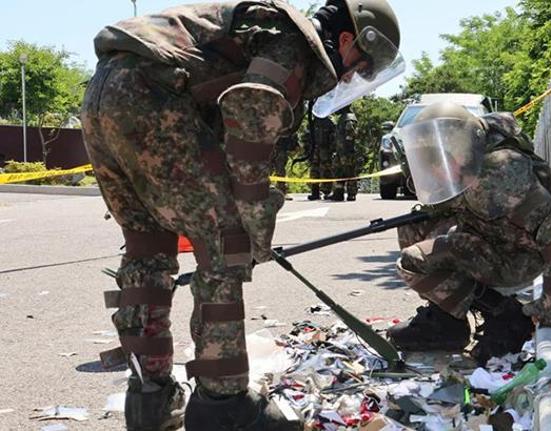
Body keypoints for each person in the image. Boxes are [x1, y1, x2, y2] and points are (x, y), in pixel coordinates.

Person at [80, 1, 402, 429]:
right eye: (360, 68)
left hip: (104, 95)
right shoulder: (292, 40)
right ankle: (224, 404)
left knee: (147, 248)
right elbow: (250, 124)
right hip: (153, 96)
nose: (352, 78)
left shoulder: (262, 28)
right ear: (347, 41)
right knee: (226, 247)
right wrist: (254, 227)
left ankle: (151, 400)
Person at [387, 102, 551, 364]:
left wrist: (550, 305)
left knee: (415, 258)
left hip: (518, 257)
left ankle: (500, 312)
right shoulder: (466, 168)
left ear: (461, 151)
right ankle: (447, 322)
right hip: (490, 239)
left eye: (439, 160)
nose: (433, 170)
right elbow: (443, 206)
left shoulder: (499, 176)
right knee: (413, 228)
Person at [331, 105, 359, 201]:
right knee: (338, 172)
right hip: (341, 151)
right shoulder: (343, 117)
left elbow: (350, 134)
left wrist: (346, 150)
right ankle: (338, 193)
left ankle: (351, 194)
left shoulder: (348, 118)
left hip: (347, 152)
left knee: (349, 171)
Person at [306, 114, 336, 200]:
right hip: (315, 149)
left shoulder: (330, 122)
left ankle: (327, 192)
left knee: (326, 170)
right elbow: (308, 136)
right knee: (314, 170)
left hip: (326, 150)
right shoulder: (313, 122)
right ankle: (315, 192)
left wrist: (332, 150)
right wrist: (307, 148)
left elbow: (333, 137)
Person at [272, 135, 299, 200]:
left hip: (281, 148)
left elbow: (290, 131)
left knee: (281, 171)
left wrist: (295, 145)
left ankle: (282, 192)